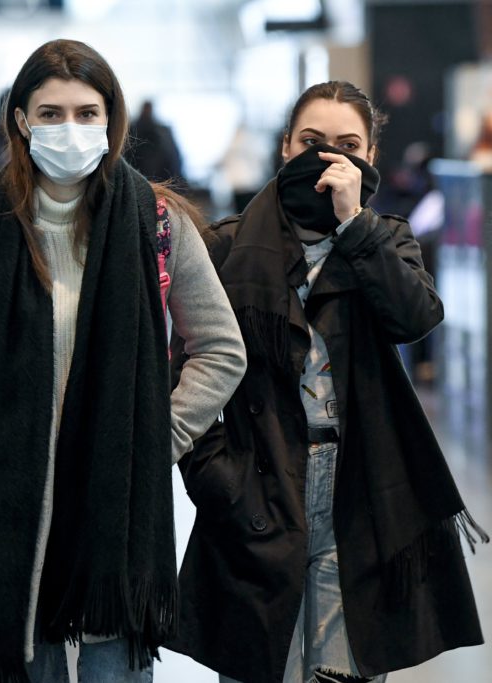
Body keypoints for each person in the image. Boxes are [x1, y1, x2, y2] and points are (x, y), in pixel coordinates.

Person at [0, 39, 247, 682]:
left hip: (116, 504)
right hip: (7, 505)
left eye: (87, 113)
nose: (70, 128)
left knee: (115, 666)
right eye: (51, 113)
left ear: (111, 121)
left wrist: (152, 440)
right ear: (21, 121)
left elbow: (221, 350)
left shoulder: (158, 225)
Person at [166, 81, 487, 683]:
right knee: (261, 666)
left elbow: (415, 319)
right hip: (259, 486)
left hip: (361, 491)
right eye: (312, 141)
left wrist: (354, 224)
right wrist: (219, 479)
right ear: (286, 147)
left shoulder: (384, 239)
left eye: (348, 146)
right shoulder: (227, 247)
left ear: (370, 157)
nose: (327, 158)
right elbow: (183, 377)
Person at [125, 99, 184, 185]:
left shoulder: (163, 132)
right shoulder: (130, 130)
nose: (147, 112)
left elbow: (174, 158)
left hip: (158, 178)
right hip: (137, 177)